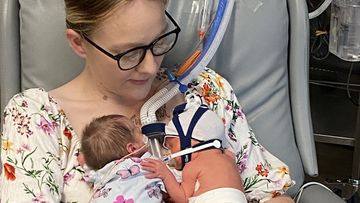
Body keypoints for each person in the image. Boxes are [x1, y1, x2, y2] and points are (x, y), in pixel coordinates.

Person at [0, 0, 295, 202]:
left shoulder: (204, 90)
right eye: (128, 53)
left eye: (159, 42)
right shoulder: (36, 118)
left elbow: (272, 193)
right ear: (78, 43)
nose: (150, 67)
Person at [141, 103, 247, 203]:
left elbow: (183, 198)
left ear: (190, 141)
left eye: (171, 146)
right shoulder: (229, 157)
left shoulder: (192, 166)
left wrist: (166, 174)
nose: (170, 152)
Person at [79, 114, 164, 203]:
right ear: (133, 149)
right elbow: (170, 178)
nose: (143, 134)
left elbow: (88, 168)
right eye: (139, 132)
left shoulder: (99, 175)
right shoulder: (145, 164)